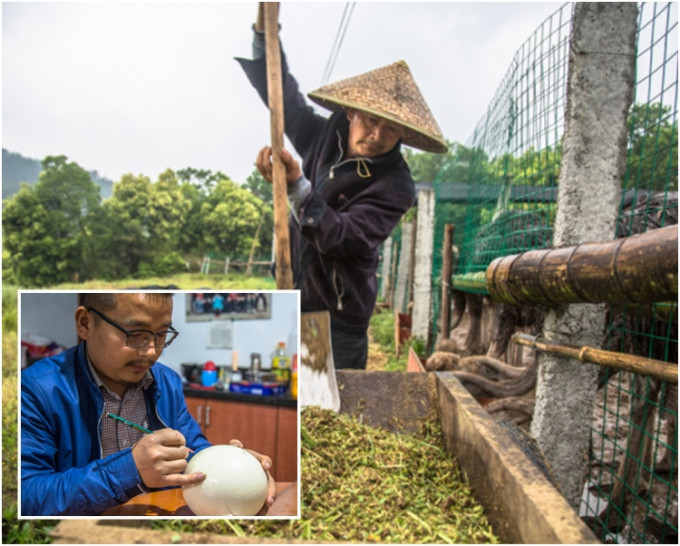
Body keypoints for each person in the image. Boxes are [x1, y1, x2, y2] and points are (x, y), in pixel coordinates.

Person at [237, 4, 447, 369]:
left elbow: (345, 237)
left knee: (324, 407)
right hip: (294, 293)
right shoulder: (328, 134)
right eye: (370, 119)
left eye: (391, 128)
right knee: (291, 393)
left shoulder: (396, 185)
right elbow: (285, 101)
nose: (378, 134)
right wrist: (264, 34)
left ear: (404, 134)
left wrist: (296, 187)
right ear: (350, 112)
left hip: (335, 314)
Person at [20, 293, 277, 516]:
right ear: (85, 323)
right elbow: (25, 496)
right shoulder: (35, 389)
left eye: (162, 334)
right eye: (136, 334)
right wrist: (130, 470)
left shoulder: (166, 381)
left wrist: (231, 466)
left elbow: (192, 451)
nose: (152, 352)